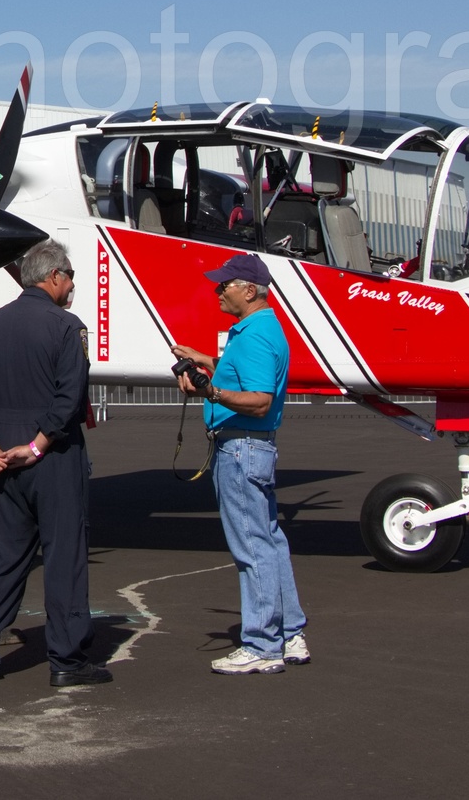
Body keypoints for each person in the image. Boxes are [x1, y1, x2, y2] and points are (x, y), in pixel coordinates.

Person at [0, 239, 108, 687]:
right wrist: (38, 444)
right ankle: (67, 660)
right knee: (64, 556)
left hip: (2, 456)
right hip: (53, 456)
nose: (72, 285)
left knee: (1, 557)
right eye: (71, 277)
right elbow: (69, 399)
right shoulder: (66, 327)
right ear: (55, 276)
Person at [171, 252, 310, 675]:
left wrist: (210, 392)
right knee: (269, 541)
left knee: (252, 547)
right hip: (254, 448)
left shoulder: (252, 335)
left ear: (249, 291)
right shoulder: (261, 329)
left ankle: (262, 645)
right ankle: (289, 634)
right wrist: (207, 361)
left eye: (225, 285)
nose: (218, 291)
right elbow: (248, 378)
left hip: (241, 449)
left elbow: (259, 400)